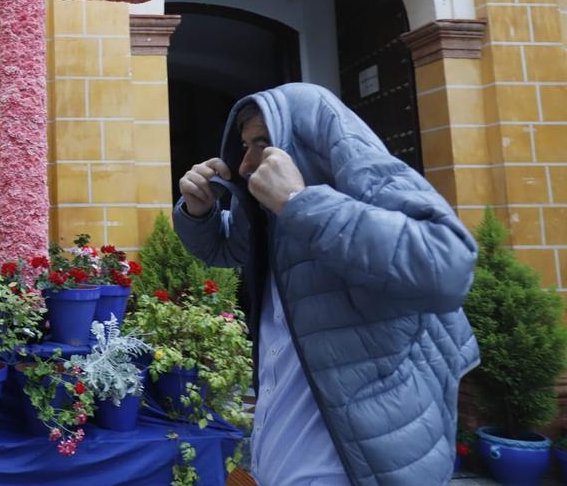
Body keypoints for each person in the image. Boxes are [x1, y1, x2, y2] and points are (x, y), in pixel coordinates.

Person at [173, 83, 478, 485]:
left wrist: (300, 202)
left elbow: (449, 264)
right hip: (278, 464)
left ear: (308, 145)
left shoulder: (314, 202)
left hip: (354, 468)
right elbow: (230, 249)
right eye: (245, 146)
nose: (246, 165)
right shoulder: (281, 219)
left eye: (262, 143)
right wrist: (200, 212)